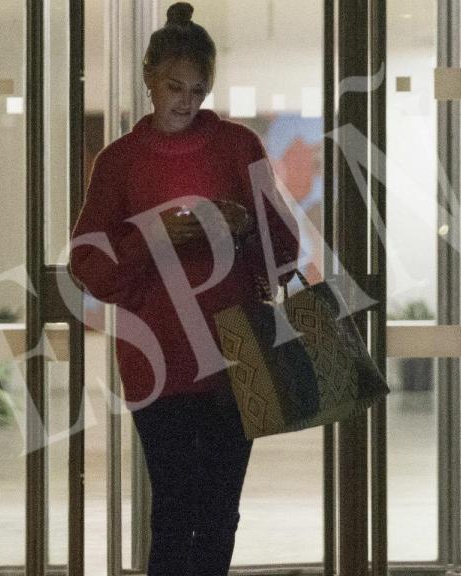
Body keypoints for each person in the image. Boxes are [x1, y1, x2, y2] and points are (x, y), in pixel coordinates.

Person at [68, 2, 300, 574]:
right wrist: (153, 235)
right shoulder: (119, 162)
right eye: (175, 86)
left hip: (235, 353)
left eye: (198, 89)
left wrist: (246, 226)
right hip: (159, 361)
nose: (186, 101)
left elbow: (286, 251)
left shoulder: (239, 147)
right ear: (149, 77)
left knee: (221, 510)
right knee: (173, 510)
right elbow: (88, 269)